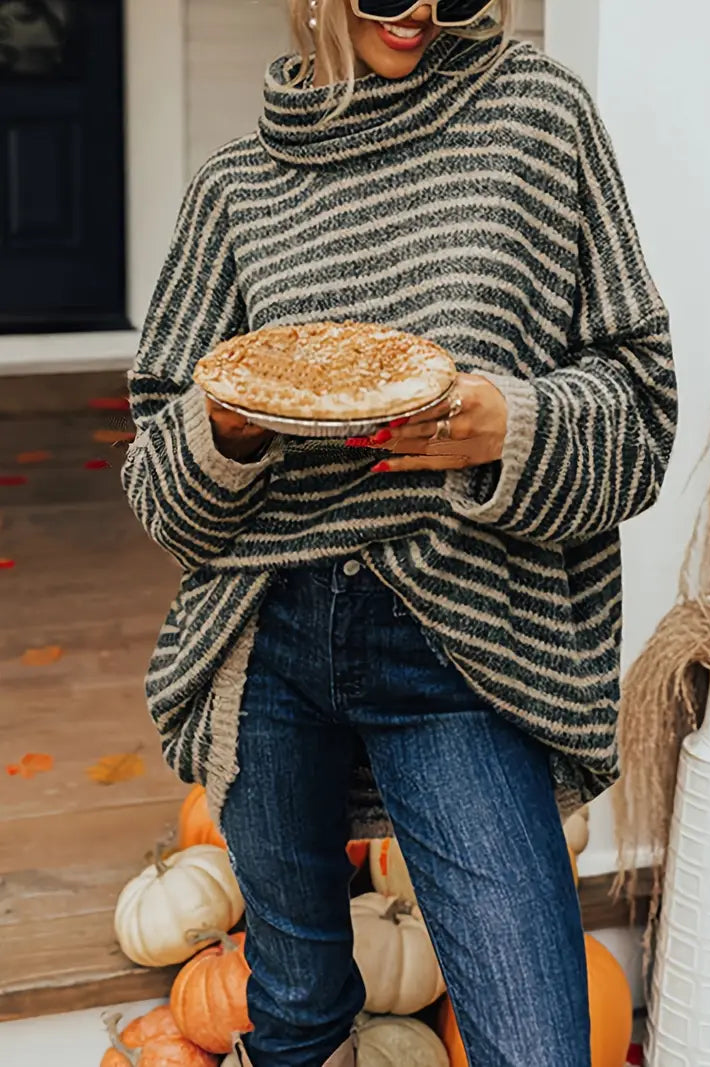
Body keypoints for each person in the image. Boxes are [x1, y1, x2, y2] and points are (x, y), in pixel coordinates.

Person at [122, 0, 677, 1062]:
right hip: (267, 639)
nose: (421, 9)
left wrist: (506, 424)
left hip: (456, 639)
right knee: (294, 1014)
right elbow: (161, 491)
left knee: (537, 1041)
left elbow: (641, 413)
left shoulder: (536, 120)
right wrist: (228, 420)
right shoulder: (232, 194)